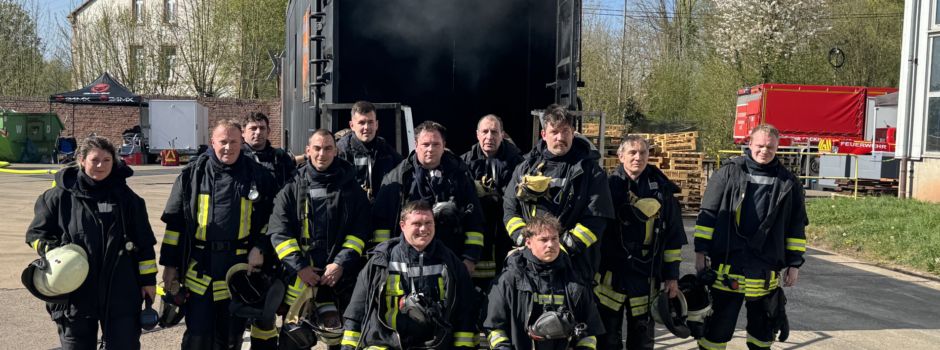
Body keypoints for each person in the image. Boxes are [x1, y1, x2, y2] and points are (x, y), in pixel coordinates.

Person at [25, 136, 158, 349]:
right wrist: (56, 253)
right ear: (81, 160)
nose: (100, 166)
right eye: (95, 160)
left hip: (121, 291)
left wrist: (148, 281)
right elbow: (35, 235)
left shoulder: (129, 200)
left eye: (107, 160)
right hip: (74, 292)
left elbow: (144, 244)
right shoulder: (58, 197)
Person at [158, 119, 276, 349]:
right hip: (199, 268)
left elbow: (274, 219)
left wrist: (260, 247)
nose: (228, 147)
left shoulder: (259, 176)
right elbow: (175, 225)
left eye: (233, 142)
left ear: (242, 141)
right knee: (198, 336)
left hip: (238, 270)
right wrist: (170, 265)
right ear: (212, 142)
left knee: (231, 337)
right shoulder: (192, 174)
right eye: (223, 142)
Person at [694, 124, 807, 350]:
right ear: (749, 143)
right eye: (760, 145)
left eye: (770, 147)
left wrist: (794, 263)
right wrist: (700, 253)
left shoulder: (788, 182)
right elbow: (708, 216)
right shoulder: (728, 172)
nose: (764, 151)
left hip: (765, 270)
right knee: (715, 333)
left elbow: (796, 227)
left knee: (762, 335)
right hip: (728, 266)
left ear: (777, 147)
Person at [268, 129, 371, 349]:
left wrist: (340, 264)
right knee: (294, 340)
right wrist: (300, 267)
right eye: (316, 148)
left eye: (327, 148)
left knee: (342, 341)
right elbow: (279, 231)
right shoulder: (291, 187)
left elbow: (359, 232)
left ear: (336, 151)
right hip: (300, 280)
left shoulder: (351, 188)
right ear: (307, 151)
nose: (321, 154)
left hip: (339, 280)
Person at [341, 200, 477, 349]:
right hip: (386, 343)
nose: (424, 229)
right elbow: (356, 310)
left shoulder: (451, 263)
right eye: (417, 224)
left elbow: (465, 312)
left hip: (434, 344)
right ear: (402, 226)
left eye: (429, 223)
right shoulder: (381, 261)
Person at [503, 104, 614, 285]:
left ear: (573, 132)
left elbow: (596, 219)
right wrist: (525, 239)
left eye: (565, 131)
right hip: (531, 262)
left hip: (574, 266)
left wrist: (561, 247)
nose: (560, 137)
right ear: (544, 135)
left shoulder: (590, 171)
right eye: (554, 132)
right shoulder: (525, 167)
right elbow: (510, 208)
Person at [596, 135, 687, 349]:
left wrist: (672, 277)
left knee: (642, 339)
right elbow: (596, 232)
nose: (638, 157)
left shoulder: (662, 190)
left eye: (643, 153)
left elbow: (673, 238)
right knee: (607, 339)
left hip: (646, 276)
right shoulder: (607, 187)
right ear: (620, 156)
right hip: (611, 275)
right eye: (632, 152)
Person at [371, 121, 485, 276]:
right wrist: (383, 257)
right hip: (405, 262)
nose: (430, 149)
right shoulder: (397, 178)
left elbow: (475, 220)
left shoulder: (460, 177)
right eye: (425, 144)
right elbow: (381, 223)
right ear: (416, 144)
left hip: (451, 259)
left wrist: (470, 258)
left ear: (444, 145)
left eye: (436, 144)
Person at [484, 214, 604, 350]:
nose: (551, 245)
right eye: (544, 240)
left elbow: (590, 330)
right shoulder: (509, 280)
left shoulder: (574, 280)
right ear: (528, 242)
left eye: (554, 238)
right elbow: (494, 327)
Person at [460, 114, 524, 286]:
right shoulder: (464, 163)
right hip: (478, 235)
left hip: (506, 234)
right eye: (485, 131)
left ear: (502, 135)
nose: (489, 137)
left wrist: (495, 195)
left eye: (494, 132)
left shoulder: (518, 164)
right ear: (477, 135)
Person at [336, 101, 403, 201]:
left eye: (370, 122)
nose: (366, 127)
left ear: (376, 124)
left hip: (380, 210)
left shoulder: (385, 149)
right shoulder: (342, 151)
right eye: (361, 123)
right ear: (352, 125)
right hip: (352, 212)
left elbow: (404, 168)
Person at [242, 112, 297, 190]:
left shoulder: (280, 157)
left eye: (262, 128)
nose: (258, 132)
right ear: (243, 132)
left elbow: (295, 185)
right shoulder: (237, 157)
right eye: (253, 128)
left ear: (268, 131)